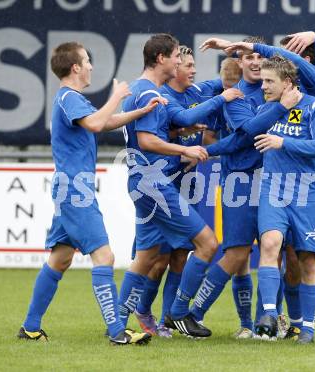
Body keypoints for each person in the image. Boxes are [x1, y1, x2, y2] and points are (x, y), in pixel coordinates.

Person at [226, 32, 315, 344]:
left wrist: (314, 38)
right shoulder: (273, 103)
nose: (297, 63)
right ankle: (290, 322)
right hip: (285, 188)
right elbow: (247, 131)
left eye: (301, 57)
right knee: (287, 255)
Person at [18, 41, 163, 345]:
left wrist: (139, 111)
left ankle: (30, 327)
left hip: (71, 188)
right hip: (74, 190)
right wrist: (116, 96)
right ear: (75, 67)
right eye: (87, 61)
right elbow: (98, 123)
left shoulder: (72, 100)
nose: (91, 66)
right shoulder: (69, 97)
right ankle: (117, 332)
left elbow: (105, 122)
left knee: (59, 260)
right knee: (105, 256)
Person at [117, 34, 241, 338]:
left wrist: (236, 54)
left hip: (147, 181)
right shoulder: (148, 93)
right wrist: (184, 149)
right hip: (154, 182)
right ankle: (177, 314)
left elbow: (182, 116)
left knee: (147, 257)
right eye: (176, 57)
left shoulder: (150, 90)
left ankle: (117, 321)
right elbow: (146, 140)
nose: (181, 63)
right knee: (207, 244)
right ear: (162, 59)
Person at [194, 36, 289, 339]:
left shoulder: (278, 89)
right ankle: (193, 314)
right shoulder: (236, 94)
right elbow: (247, 134)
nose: (255, 62)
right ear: (240, 61)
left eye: (258, 56)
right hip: (241, 180)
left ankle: (266, 323)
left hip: (275, 180)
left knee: (274, 252)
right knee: (236, 254)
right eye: (248, 58)